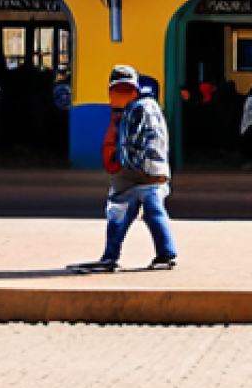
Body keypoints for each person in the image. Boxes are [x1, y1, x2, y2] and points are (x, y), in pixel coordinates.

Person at [71, 65, 177, 272]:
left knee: (120, 212)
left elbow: (137, 143)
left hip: (139, 172)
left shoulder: (139, 109)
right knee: (151, 212)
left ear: (135, 90)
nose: (119, 95)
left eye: (124, 90)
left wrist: (125, 167)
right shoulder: (145, 107)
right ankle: (165, 253)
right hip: (154, 170)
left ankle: (111, 256)